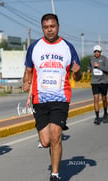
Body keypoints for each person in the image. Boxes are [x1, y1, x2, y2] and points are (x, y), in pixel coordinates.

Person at [23, 14, 82, 181]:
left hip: (60, 98)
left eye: (52, 26)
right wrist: (26, 83)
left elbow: (76, 75)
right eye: (46, 27)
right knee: (46, 141)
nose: (49, 30)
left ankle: (55, 174)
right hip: (39, 99)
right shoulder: (35, 47)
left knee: (56, 135)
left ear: (58, 27)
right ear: (42, 28)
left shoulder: (67, 47)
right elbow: (28, 71)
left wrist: (77, 72)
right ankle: (52, 153)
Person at [87, 45, 108, 125]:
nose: (96, 53)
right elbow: (89, 65)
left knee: (103, 98)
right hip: (94, 82)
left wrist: (98, 66)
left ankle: (105, 113)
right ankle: (97, 117)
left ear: (101, 52)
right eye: (95, 51)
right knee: (96, 98)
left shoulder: (104, 59)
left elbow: (107, 69)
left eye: (98, 51)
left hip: (103, 82)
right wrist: (89, 69)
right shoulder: (91, 59)